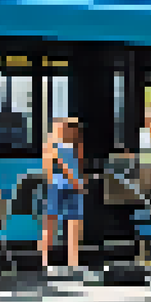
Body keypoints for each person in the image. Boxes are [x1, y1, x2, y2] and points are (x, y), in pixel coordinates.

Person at [41, 117, 85, 275]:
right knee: (51, 224)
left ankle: (73, 262)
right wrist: (75, 181)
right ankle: (46, 262)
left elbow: (77, 166)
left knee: (74, 225)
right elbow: (58, 166)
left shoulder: (75, 146)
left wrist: (79, 181)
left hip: (72, 188)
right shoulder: (52, 145)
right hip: (57, 188)